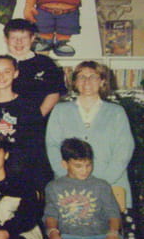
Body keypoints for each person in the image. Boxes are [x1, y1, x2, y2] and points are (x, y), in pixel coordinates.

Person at [45, 60, 135, 209]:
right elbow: (52, 145)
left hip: (110, 185)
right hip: (69, 187)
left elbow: (124, 150)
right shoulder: (60, 110)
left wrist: (101, 182)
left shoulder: (116, 112)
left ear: (102, 81)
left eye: (93, 76)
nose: (87, 81)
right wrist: (67, 177)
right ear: (74, 82)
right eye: (81, 76)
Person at [0, 54, 52, 196]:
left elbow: (38, 149)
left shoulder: (29, 108)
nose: (0, 76)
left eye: (6, 71)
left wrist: (39, 185)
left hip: (23, 181)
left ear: (16, 73)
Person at [0, 19, 66, 117]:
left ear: (32, 38)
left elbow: (54, 93)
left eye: (24, 38)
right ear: (6, 39)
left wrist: (37, 117)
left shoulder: (46, 63)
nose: (19, 42)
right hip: (3, 121)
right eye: (14, 38)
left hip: (38, 120)